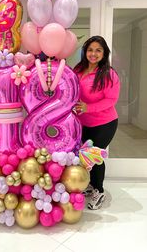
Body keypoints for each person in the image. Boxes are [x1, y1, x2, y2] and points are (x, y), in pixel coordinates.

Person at [73, 35, 120, 210]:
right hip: (83, 123)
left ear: (104, 53)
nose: (93, 54)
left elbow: (111, 100)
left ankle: (99, 191)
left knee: (94, 156)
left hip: (104, 123)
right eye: (90, 50)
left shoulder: (109, 74)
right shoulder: (78, 69)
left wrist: (88, 107)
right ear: (85, 52)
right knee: (84, 157)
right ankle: (92, 185)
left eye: (98, 50)